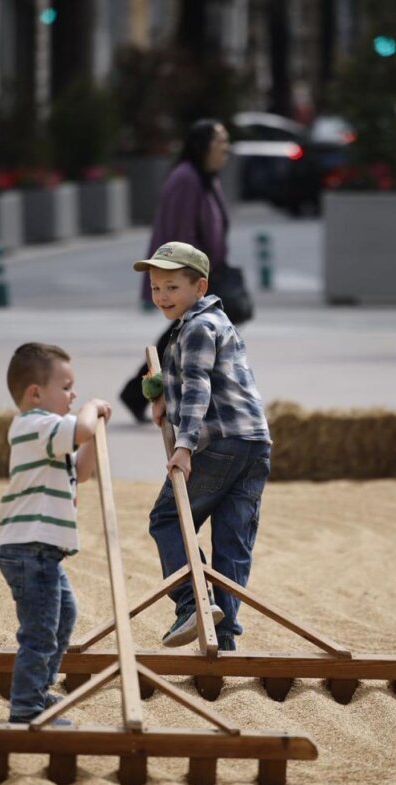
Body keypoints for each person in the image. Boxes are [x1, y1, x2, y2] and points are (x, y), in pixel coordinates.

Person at [134, 241, 271, 652]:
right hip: (254, 444)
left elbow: (198, 388)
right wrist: (161, 396)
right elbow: (194, 381)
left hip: (219, 442)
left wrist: (185, 446)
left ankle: (192, 603)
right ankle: (223, 637)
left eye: (172, 287)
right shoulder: (216, 324)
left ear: (200, 286)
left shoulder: (196, 328)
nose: (161, 297)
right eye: (156, 288)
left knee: (167, 519)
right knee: (232, 540)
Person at [0, 342, 111, 724]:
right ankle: (26, 706)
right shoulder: (37, 425)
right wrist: (92, 410)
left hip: (42, 551)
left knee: (63, 617)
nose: (73, 394)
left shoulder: (49, 435)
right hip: (31, 550)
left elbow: (82, 470)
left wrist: (94, 435)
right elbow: (80, 427)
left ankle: (39, 691)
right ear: (35, 393)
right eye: (66, 387)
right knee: (40, 630)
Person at [119, 119, 235, 423]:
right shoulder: (187, 178)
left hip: (200, 274)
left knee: (184, 335)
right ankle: (144, 391)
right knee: (181, 336)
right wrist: (183, 280)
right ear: (202, 146)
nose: (226, 148)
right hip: (186, 276)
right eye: (220, 141)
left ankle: (141, 391)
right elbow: (181, 233)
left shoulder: (205, 177)